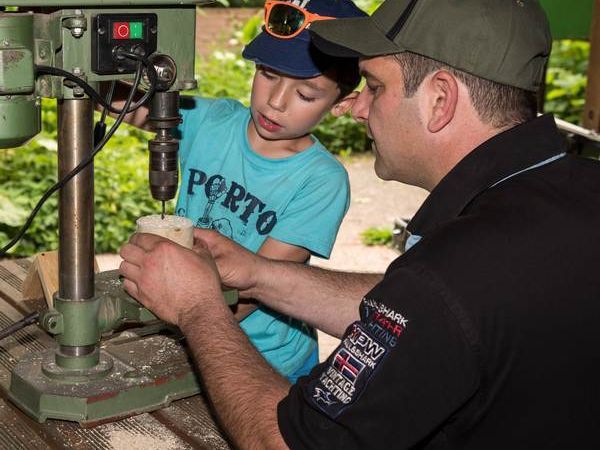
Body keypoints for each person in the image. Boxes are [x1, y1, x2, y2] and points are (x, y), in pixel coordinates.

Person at [120, 0, 600, 448]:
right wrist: (260, 274)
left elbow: (286, 441)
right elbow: (433, 316)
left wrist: (200, 308)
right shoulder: (571, 194)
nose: (359, 109)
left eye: (374, 87)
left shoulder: (451, 272)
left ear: (440, 100)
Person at [116, 0, 366, 383]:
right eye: (268, 74)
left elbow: (253, 292)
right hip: (186, 322)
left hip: (266, 361)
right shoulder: (210, 120)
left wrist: (174, 323)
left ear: (341, 103)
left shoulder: (320, 181)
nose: (276, 101)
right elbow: (121, 104)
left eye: (306, 95)